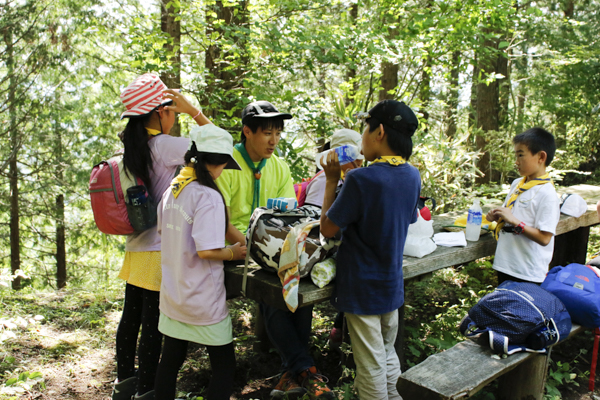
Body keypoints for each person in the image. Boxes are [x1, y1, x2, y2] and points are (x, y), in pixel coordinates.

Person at [215, 100, 334, 399]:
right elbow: (222, 221)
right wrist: (252, 247)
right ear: (247, 131)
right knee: (274, 285)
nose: (274, 140)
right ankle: (306, 370)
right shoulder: (226, 163)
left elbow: (291, 218)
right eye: (267, 132)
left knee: (294, 279)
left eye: (278, 132)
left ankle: (289, 374)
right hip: (236, 249)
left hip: (275, 248)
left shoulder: (279, 166)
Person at [112, 73, 212, 400]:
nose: (174, 114)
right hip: (158, 248)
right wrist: (194, 111)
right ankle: (147, 391)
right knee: (154, 324)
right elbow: (217, 148)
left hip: (136, 246)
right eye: (171, 109)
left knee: (131, 319)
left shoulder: (132, 146)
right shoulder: (166, 145)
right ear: (159, 112)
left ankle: (125, 385)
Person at [320, 99, 421, 399]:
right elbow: (410, 217)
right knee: (387, 354)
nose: (362, 135)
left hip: (361, 288)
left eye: (365, 127)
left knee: (370, 366)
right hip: (390, 286)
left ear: (378, 132)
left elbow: (327, 228)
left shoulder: (361, 178)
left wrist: (330, 180)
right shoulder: (412, 175)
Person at [138, 125, 247, 400]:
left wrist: (238, 240)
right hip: (202, 298)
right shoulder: (207, 196)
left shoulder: (175, 188)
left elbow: (167, 232)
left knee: (171, 360)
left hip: (174, 294)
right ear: (221, 162)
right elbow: (208, 251)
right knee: (224, 366)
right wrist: (234, 253)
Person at [486, 127, 560, 285]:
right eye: (516, 155)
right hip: (506, 263)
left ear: (541, 157)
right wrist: (497, 215)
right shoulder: (517, 184)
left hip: (527, 272)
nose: (516, 161)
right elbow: (511, 214)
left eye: (521, 155)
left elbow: (545, 238)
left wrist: (514, 221)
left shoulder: (547, 194)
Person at [303, 128, 364, 208]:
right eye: (353, 155)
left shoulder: (346, 178)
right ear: (339, 155)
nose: (359, 160)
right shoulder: (324, 178)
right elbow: (311, 216)